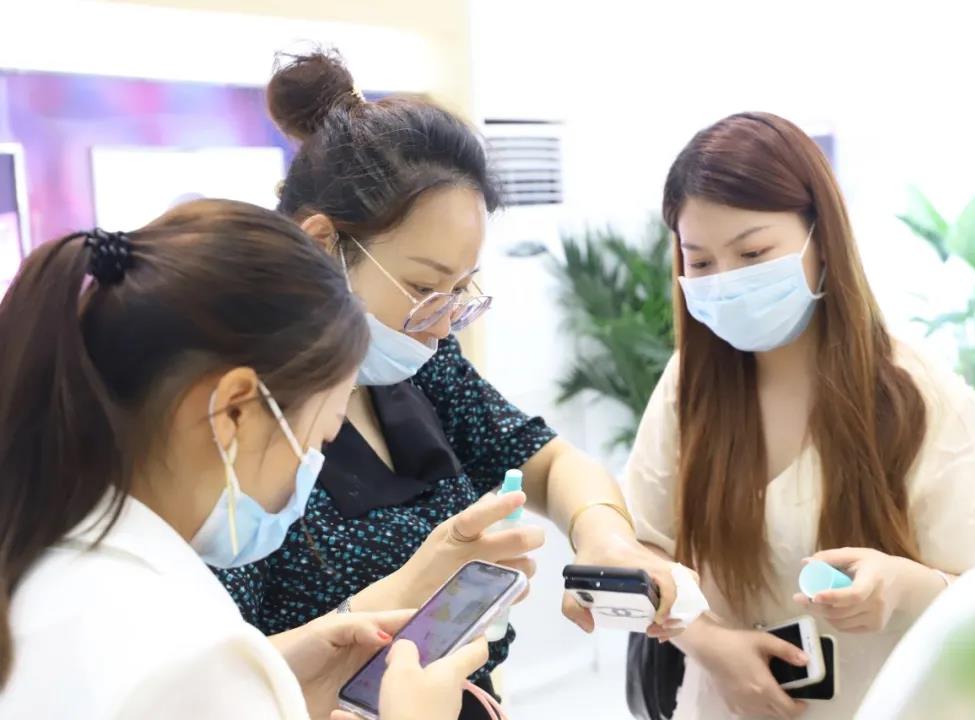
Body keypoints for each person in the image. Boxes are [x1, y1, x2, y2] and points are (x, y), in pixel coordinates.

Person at [213, 50, 685, 718]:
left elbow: (549, 461)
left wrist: (606, 537)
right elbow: (216, 683)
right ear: (322, 244)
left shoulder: (415, 362)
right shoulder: (238, 423)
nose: (440, 320)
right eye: (423, 286)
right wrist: (419, 581)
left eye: (460, 289)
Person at [625, 112, 975, 719]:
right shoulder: (688, 385)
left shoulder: (917, 395)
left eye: (753, 252)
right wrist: (709, 643)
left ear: (821, 237)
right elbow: (639, 548)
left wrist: (903, 585)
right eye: (701, 262)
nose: (727, 281)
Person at [0, 199, 487, 720]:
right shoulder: (190, 654)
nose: (310, 467)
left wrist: (274, 690)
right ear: (235, 410)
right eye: (320, 439)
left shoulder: (42, 564)